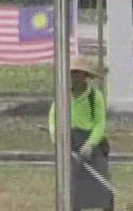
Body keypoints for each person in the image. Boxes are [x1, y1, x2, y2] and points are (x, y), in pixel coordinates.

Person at [47, 55, 113, 210]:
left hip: (92, 143)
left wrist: (90, 144)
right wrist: (57, 140)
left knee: (102, 183)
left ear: (85, 76)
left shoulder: (95, 96)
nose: (74, 77)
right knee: (73, 186)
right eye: (71, 73)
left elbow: (100, 123)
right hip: (70, 141)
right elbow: (53, 118)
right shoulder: (62, 95)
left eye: (78, 73)